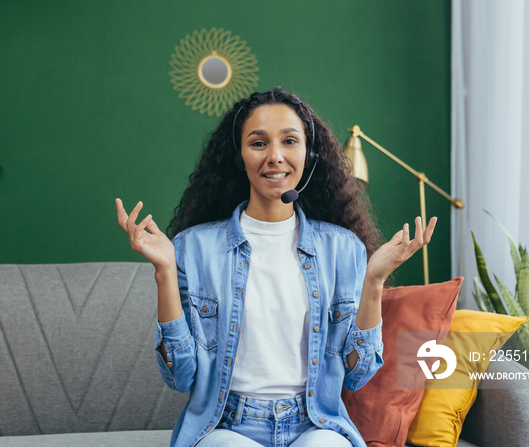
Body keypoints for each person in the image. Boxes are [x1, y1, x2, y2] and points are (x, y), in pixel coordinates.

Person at [115, 87, 436, 447]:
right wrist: (164, 272)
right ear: (239, 157)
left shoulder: (343, 249)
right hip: (227, 426)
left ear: (309, 154)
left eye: (290, 141)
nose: (275, 156)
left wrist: (374, 281)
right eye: (258, 143)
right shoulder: (192, 247)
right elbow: (181, 377)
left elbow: (357, 376)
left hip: (314, 423)